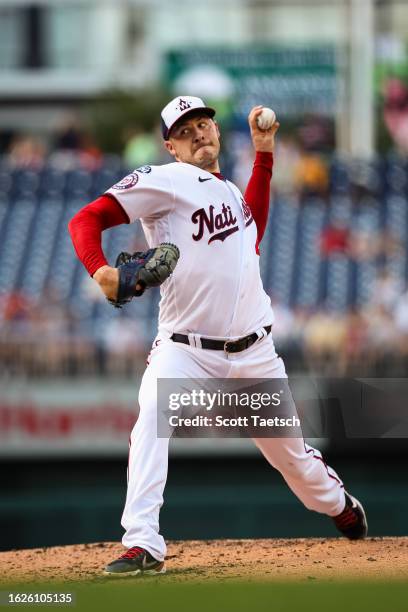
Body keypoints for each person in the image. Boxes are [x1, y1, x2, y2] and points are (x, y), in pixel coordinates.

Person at [68, 96, 367, 577]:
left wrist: (264, 154)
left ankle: (338, 503)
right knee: (152, 415)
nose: (198, 132)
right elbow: (84, 220)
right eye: (185, 130)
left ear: (217, 131)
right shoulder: (165, 180)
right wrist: (101, 270)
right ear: (171, 146)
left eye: (204, 123)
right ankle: (142, 541)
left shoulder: (228, 192)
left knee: (294, 463)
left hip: (255, 358)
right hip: (187, 352)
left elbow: (252, 232)